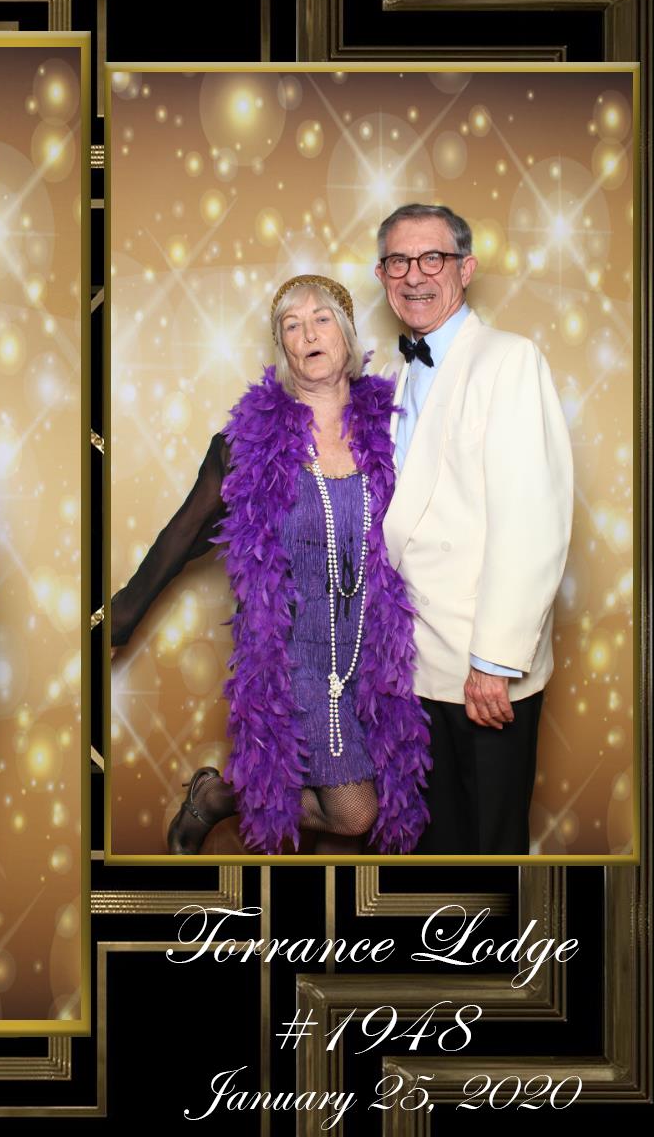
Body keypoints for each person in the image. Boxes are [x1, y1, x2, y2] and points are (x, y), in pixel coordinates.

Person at [110, 274, 431, 855]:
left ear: (347, 333)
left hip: (372, 660)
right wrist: (118, 618)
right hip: (291, 660)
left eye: (322, 319)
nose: (308, 334)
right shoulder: (246, 444)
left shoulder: (394, 429)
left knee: (383, 809)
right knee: (356, 814)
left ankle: (220, 796)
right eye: (292, 325)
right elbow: (182, 537)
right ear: (282, 346)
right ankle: (221, 798)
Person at [375, 203, 573, 854]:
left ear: (466, 268)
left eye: (432, 258)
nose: (414, 275)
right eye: (398, 261)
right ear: (381, 275)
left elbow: (533, 519)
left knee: (490, 849)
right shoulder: (391, 376)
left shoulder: (509, 359)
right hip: (411, 668)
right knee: (433, 847)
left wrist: (494, 662)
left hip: (481, 668)